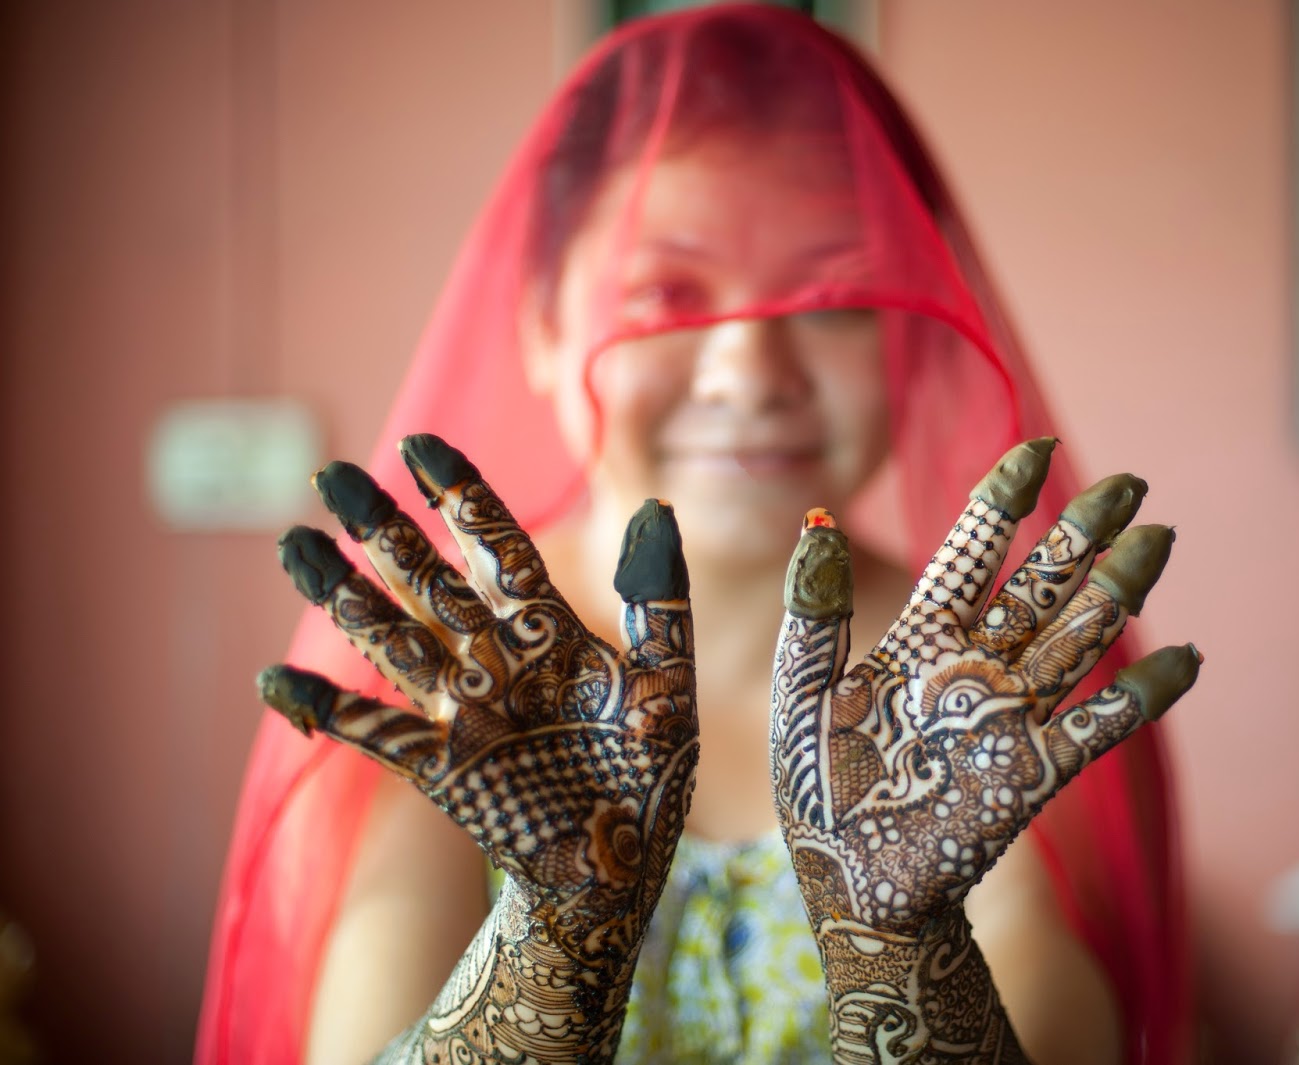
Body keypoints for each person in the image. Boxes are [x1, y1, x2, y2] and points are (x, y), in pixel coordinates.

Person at [196, 5, 1192, 1064]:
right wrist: (554, 947)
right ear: (539, 321)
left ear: (913, 318)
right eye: (667, 293)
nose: (750, 375)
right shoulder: (456, 683)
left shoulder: (999, 689)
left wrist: (898, 950)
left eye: (835, 296)